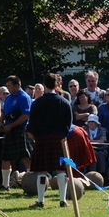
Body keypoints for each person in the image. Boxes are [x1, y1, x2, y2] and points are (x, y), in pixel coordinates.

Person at [26, 73, 73, 208]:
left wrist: (35, 135)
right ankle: (63, 201)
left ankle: (41, 201)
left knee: (41, 171)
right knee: (61, 170)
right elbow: (69, 124)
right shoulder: (64, 102)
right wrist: (62, 135)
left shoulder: (37, 103)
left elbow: (32, 123)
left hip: (42, 139)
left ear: (44, 84)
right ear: (57, 84)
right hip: (59, 139)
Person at [0, 75, 33, 191]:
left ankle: (32, 182)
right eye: (7, 86)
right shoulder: (8, 97)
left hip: (21, 130)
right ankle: (5, 185)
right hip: (9, 129)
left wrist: (10, 126)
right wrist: (1, 121)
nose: (7, 88)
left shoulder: (24, 97)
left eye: (9, 86)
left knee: (25, 157)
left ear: (17, 85)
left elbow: (25, 116)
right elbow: (3, 111)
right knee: (5, 157)